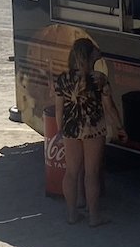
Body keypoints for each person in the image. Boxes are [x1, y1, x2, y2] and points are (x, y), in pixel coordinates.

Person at [52, 38, 127, 226]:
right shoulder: (99, 79)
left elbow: (59, 109)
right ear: (89, 55)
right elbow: (110, 108)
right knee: (91, 174)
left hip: (70, 129)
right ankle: (94, 216)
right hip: (93, 129)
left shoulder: (62, 78)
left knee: (71, 173)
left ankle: (72, 214)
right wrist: (119, 127)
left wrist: (61, 130)